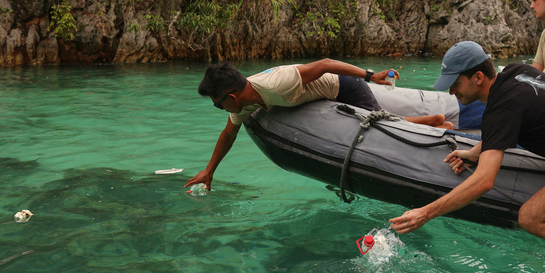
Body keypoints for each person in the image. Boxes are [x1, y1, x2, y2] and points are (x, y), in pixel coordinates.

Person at [389, 42, 545, 245]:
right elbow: (518, 117)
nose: (452, 92)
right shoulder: (517, 71)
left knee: (530, 217)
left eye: (455, 83)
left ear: (477, 77)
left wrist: (426, 213)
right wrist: (478, 151)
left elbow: (484, 182)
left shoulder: (499, 111)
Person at [187, 60, 447, 191]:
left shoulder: (279, 83)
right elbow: (228, 133)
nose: (220, 109)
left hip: (343, 86)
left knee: (379, 126)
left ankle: (432, 122)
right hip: (324, 94)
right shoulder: (244, 104)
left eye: (218, 105)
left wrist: (371, 76)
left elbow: (324, 65)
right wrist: (210, 171)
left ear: (231, 97)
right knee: (379, 121)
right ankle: (431, 120)